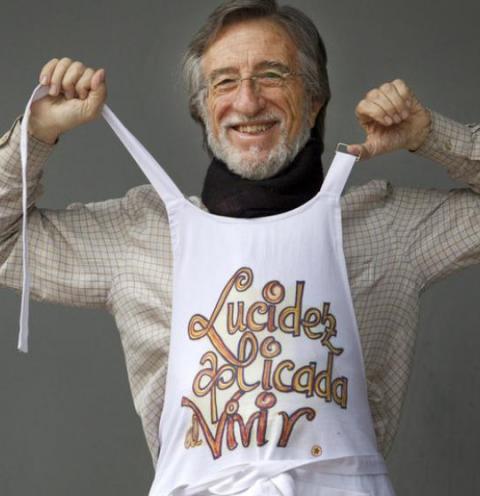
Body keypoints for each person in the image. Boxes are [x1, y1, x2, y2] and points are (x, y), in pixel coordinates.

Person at [1, 0, 479, 494]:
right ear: (202, 107)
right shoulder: (141, 235)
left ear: (315, 99)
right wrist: (37, 134)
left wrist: (429, 136)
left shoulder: (386, 226)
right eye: (225, 81)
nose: (248, 103)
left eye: (272, 75)